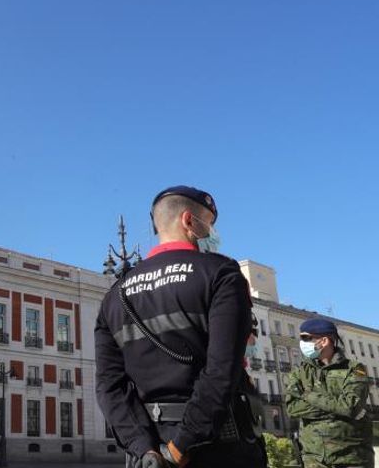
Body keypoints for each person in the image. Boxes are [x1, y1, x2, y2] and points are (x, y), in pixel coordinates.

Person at [95, 185, 267, 468]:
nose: (212, 235)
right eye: (209, 225)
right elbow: (222, 369)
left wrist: (145, 450)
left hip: (147, 452)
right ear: (189, 221)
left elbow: (108, 386)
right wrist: (180, 447)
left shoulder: (115, 295)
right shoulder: (220, 273)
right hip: (217, 445)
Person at [285, 318, 374, 468]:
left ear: (324, 341)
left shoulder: (354, 369)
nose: (302, 342)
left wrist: (308, 395)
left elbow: (350, 406)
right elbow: (293, 408)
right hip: (314, 459)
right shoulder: (299, 372)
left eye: (306, 338)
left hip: (351, 457)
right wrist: (337, 408)